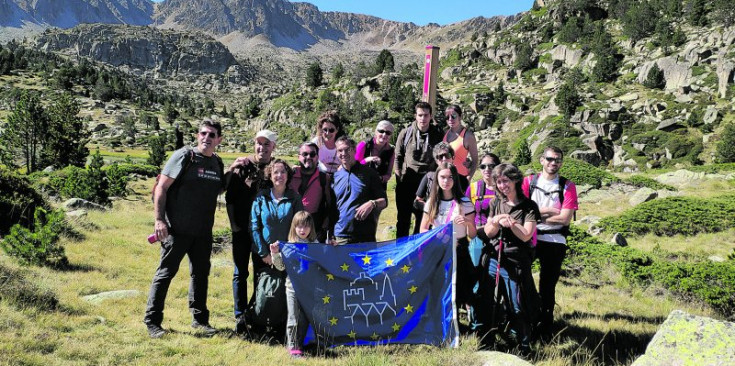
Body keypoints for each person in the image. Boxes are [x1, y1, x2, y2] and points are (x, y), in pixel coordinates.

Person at [144, 120, 225, 339]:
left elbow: (218, 187)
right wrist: (160, 220)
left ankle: (200, 320)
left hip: (202, 232)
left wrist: (236, 169)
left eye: (212, 135)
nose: (206, 138)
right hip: (176, 230)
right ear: (198, 135)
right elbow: (161, 187)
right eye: (203, 133)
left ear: (219, 140)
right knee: (165, 273)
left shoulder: (217, 162)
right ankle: (152, 322)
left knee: (200, 275)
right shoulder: (184, 156)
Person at [521, 146, 578, 334]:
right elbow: (520, 212)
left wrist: (535, 214)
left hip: (555, 240)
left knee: (548, 285)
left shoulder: (568, 186)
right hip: (530, 237)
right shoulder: (528, 182)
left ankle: (545, 327)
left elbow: (565, 218)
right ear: (542, 160)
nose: (554, 163)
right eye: (550, 159)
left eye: (558, 160)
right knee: (522, 280)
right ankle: (525, 319)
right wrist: (547, 212)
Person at [484, 163, 541, 350]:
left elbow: (526, 234)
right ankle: (490, 338)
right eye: (499, 182)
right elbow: (488, 232)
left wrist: (511, 223)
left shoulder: (528, 206)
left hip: (516, 260)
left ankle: (524, 343)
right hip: (495, 257)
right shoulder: (495, 203)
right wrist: (496, 220)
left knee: (516, 303)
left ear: (516, 179)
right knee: (489, 299)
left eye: (506, 181)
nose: (502, 186)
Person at [225, 129, 276, 335]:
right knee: (240, 273)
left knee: (261, 272)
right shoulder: (243, 166)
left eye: (266, 144)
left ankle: (256, 314)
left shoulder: (274, 168)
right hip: (241, 230)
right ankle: (240, 315)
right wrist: (233, 225)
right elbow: (229, 198)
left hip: (262, 233)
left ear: (273, 147)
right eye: (258, 143)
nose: (261, 148)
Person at [419, 162, 476, 316]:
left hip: (460, 250)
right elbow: (423, 229)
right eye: (442, 177)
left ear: (455, 179)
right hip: (438, 250)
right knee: (440, 287)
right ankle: (442, 323)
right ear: (437, 179)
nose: (446, 181)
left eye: (450, 177)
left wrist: (467, 222)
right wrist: (441, 236)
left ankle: (459, 326)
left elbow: (473, 234)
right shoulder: (431, 203)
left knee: (460, 288)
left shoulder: (464, 202)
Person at [270, 211, 318, 359]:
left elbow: (322, 261)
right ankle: (293, 349)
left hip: (310, 288)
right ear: (294, 227)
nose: (302, 230)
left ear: (311, 228)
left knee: (305, 318)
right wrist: (275, 254)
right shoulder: (289, 246)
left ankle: (302, 344)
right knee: (293, 318)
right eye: (299, 227)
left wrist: (330, 248)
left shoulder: (315, 245)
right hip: (292, 288)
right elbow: (280, 267)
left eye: (306, 226)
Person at [394, 101, 444, 238]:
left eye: (426, 115)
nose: (423, 118)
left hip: (427, 183)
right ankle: (400, 251)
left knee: (423, 219)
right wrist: (399, 178)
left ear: (430, 116)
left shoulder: (437, 134)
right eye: (420, 115)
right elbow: (397, 157)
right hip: (407, 181)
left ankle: (417, 252)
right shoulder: (406, 133)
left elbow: (443, 154)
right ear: (415, 116)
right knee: (403, 220)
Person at [465, 152, 501, 333]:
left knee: (494, 282)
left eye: (491, 166)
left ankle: (496, 319)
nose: (487, 170)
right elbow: (464, 212)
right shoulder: (473, 188)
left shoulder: (504, 187)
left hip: (499, 239)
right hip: (477, 238)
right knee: (476, 278)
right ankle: (476, 322)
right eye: (483, 166)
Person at [332, 136, 388, 244]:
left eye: (347, 149)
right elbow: (331, 208)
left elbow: (384, 201)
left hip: (364, 236)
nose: (343, 153)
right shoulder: (335, 177)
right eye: (340, 150)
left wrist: (372, 203)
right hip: (341, 237)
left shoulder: (369, 173)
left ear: (354, 150)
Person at [289, 142, 333, 241]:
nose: (308, 157)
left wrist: (325, 224)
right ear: (298, 157)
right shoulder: (290, 175)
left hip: (314, 229)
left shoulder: (324, 178)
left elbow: (329, 204)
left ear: (317, 157)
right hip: (291, 227)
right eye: (305, 154)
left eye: (312, 154)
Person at [443, 104, 478, 193]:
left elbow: (475, 160)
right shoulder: (445, 133)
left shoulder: (468, 136)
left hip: (460, 179)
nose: (450, 119)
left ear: (460, 117)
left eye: (454, 116)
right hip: (446, 178)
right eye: (447, 117)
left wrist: (468, 178)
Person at [413, 142, 454, 213]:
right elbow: (417, 201)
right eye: (440, 157)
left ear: (453, 157)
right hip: (433, 219)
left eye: (447, 155)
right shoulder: (429, 177)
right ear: (436, 160)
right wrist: (429, 209)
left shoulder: (462, 179)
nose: (444, 159)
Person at [355, 120, 396, 190]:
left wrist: (381, 178)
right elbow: (354, 168)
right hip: (361, 186)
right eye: (381, 131)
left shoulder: (391, 151)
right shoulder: (363, 145)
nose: (384, 135)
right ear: (376, 132)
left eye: (388, 133)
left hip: (379, 188)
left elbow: (389, 174)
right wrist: (366, 160)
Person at [312, 110, 345, 175]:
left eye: (331, 130)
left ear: (337, 130)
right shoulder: (316, 142)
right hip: (320, 176)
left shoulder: (344, 144)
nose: (327, 133)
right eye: (325, 130)